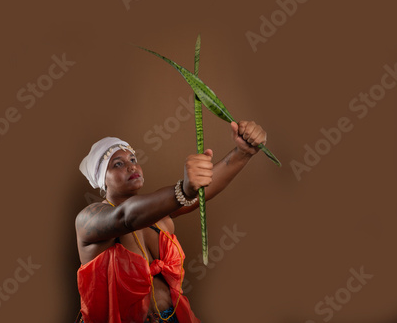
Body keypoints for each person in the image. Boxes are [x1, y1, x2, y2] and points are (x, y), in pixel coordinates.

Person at [76, 121, 267, 323]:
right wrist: (183, 190)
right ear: (101, 179)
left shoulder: (159, 213)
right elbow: (125, 217)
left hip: (172, 317)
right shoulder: (89, 219)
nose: (131, 165)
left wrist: (243, 152)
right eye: (118, 164)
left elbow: (203, 192)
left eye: (132, 158)